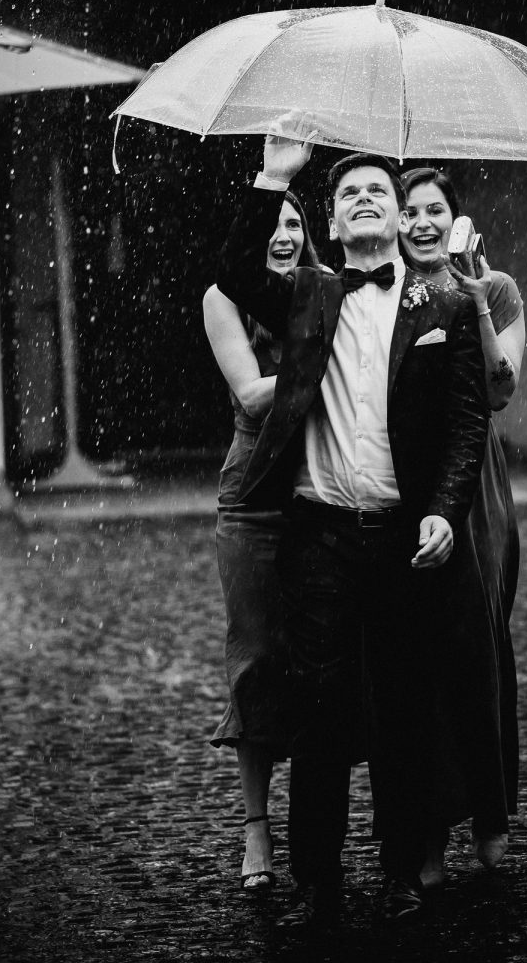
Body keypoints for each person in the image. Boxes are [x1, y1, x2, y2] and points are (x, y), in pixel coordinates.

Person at [216, 111, 490, 930]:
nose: (365, 199)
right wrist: (274, 177)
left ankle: (403, 871)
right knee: (320, 713)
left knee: (404, 706)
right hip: (320, 534)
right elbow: (234, 271)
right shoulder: (309, 292)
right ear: (332, 225)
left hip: (405, 539)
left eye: (378, 190)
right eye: (349, 195)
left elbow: (466, 424)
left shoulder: (444, 302)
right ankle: (318, 884)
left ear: (401, 216)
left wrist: (444, 512)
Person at [399, 167, 525, 886]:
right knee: (417, 656)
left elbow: (501, 390)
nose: (421, 223)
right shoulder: (388, 296)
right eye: (410, 210)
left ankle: (489, 810)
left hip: (477, 484)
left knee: (479, 643)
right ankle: (428, 832)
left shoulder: (496, 288)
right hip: (406, 477)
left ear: (456, 220)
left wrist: (474, 302)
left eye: (435, 210)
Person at [204, 192, 321, 892]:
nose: (283, 235)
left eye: (294, 224)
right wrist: (329, 359)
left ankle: (320, 826)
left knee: (322, 663)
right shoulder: (223, 298)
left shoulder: (323, 290)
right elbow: (252, 396)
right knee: (256, 661)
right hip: (252, 499)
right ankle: (256, 827)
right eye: (272, 224)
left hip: (320, 490)